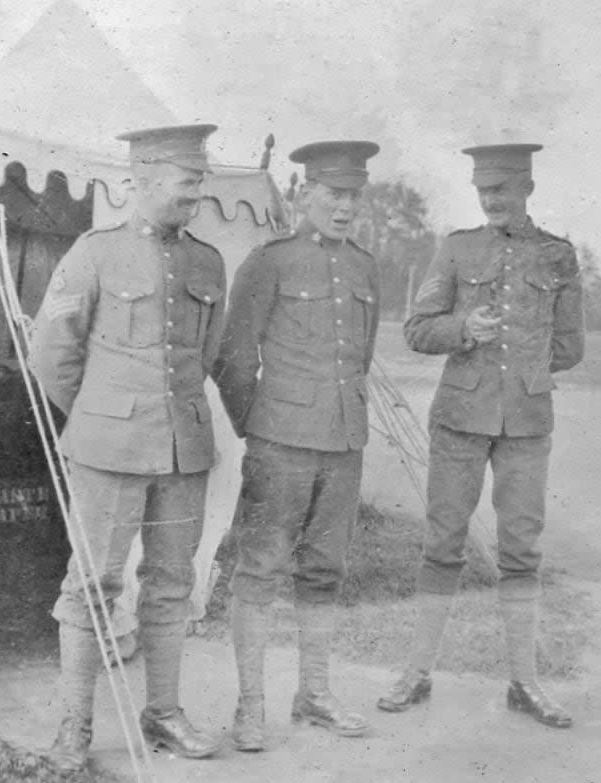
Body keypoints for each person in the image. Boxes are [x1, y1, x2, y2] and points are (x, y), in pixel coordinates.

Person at [28, 124, 226, 769]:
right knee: (93, 585)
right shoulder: (95, 252)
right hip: (108, 448)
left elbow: (209, 352)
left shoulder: (207, 261)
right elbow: (52, 353)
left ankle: (163, 713)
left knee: (171, 584)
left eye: (199, 179)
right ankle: (73, 727)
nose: (196, 190)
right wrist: (97, 417)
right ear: (141, 181)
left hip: (184, 450)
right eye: (186, 179)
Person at [377, 143, 584, 728]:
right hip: (460, 421)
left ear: (527, 190)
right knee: (442, 544)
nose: (491, 199)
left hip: (525, 424)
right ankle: (415, 674)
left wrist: (526, 364)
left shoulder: (558, 256)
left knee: (521, 550)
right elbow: (416, 330)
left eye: (503, 189)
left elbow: (571, 345)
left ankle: (525, 683)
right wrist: (464, 329)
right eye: (483, 190)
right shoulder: (458, 248)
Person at [213, 140, 382, 752]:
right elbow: (233, 356)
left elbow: (358, 358)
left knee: (325, 570)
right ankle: (250, 704)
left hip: (343, 442)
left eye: (352, 196)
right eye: (332, 194)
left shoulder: (364, 267)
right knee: (259, 570)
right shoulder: (270, 262)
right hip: (279, 442)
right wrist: (257, 425)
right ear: (303, 193)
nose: (343, 207)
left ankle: (313, 692)